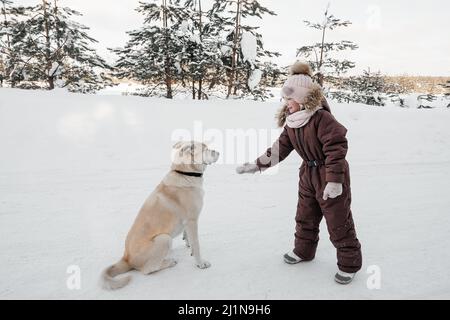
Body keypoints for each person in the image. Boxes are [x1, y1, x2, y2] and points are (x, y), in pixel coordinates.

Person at [236, 61, 362, 285]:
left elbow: (336, 149)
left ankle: (349, 264)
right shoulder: (293, 122)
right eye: (284, 99)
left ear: (304, 98)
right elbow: (279, 148)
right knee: (305, 216)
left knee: (338, 221)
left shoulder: (322, 119)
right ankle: (304, 251)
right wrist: (257, 165)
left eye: (289, 99)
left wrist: (334, 181)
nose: (286, 104)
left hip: (329, 174)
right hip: (307, 174)